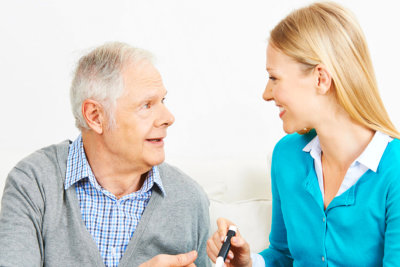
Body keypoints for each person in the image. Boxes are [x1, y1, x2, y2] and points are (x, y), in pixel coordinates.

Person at [207, 2, 400, 266]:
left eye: (274, 78)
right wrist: (248, 263)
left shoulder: (394, 170)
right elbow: (284, 254)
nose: (266, 94)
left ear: (321, 79)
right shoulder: (286, 156)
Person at [0, 42, 211, 267]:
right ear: (95, 116)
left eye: (163, 101)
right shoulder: (34, 183)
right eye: (146, 105)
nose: (168, 117)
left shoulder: (189, 199)